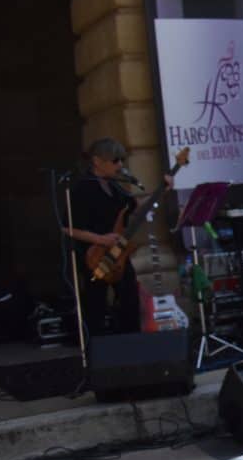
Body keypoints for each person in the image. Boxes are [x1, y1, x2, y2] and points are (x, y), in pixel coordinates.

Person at [63, 138, 171, 335]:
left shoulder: (115, 186)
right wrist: (101, 239)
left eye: (121, 160)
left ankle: (131, 343)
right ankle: (95, 347)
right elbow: (68, 228)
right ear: (97, 161)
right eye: (115, 160)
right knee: (96, 299)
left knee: (129, 295)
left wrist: (161, 191)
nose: (120, 165)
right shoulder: (82, 188)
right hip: (93, 253)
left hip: (117, 252)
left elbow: (136, 207)